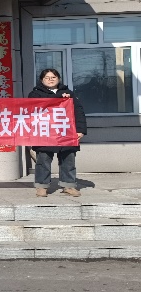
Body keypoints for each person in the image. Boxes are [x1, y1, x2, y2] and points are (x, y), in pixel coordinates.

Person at [29, 68, 87, 197]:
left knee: (68, 160)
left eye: (53, 77)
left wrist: (80, 130)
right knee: (43, 161)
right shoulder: (35, 94)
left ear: (59, 79)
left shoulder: (68, 93)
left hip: (65, 132)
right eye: (47, 78)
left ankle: (69, 185)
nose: (50, 80)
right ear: (42, 80)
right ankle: (42, 186)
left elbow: (78, 112)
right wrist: (59, 98)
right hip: (45, 133)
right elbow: (38, 106)